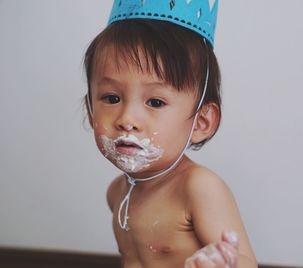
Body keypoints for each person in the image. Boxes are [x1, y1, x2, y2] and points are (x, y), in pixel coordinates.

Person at [84, 1, 257, 267]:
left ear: (201, 122)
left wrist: (223, 263)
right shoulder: (116, 192)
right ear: (90, 111)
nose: (127, 120)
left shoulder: (198, 188)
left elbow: (246, 262)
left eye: (155, 102)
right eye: (111, 97)